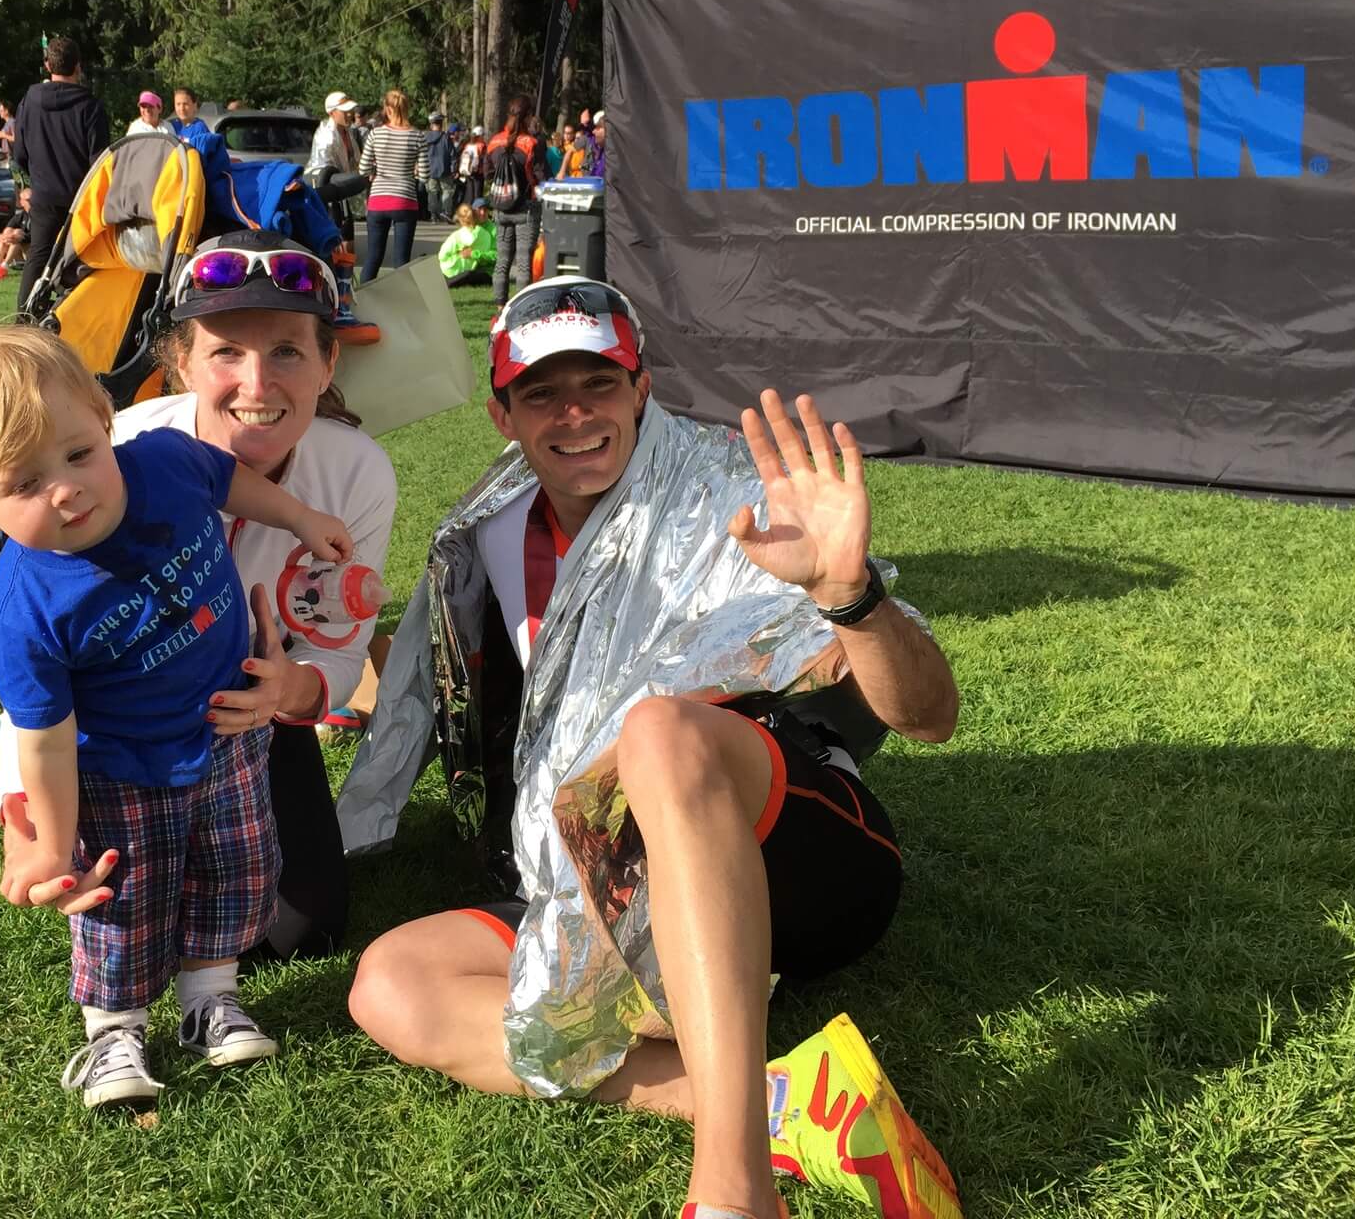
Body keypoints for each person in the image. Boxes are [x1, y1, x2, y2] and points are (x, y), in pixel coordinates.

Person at [343, 277, 964, 1219]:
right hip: (605, 871)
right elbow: (424, 701)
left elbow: (927, 716)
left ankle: (734, 1191)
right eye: (544, 393)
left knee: (659, 731)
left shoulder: (735, 496)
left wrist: (852, 597)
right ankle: (783, 1105)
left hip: (793, 858)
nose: (577, 413)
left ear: (642, 387)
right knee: (391, 986)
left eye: (600, 381)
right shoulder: (480, 533)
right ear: (502, 414)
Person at [0, 322, 356, 1109]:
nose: (67, 489)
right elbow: (43, 741)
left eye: (80, 455)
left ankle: (209, 1002)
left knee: (235, 869)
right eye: (22, 483)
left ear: (103, 419)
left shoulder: (163, 465)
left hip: (226, 734)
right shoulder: (21, 611)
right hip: (119, 771)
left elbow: (227, 482)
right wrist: (47, 842)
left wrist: (296, 518)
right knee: (124, 899)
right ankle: (113, 1032)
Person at [0, 230, 395, 963]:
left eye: (286, 351)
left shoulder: (356, 474)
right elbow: (34, 647)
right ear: (180, 363)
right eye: (225, 352)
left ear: (327, 361)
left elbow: (339, 644)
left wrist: (291, 689)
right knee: (133, 913)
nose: (257, 384)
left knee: (300, 931)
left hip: (252, 725)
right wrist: (22, 814)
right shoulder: (117, 458)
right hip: (119, 731)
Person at [10, 35, 109, 310]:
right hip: (80, 201)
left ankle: (25, 319)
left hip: (43, 196)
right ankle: (73, 315)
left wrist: (28, 185)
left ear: (47, 65)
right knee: (84, 264)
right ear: (78, 66)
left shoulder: (29, 100)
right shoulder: (90, 107)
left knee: (38, 259)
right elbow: (99, 161)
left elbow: (20, 154)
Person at [355, 88, 430, 283]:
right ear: (407, 109)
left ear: (387, 109)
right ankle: (400, 304)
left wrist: (375, 172)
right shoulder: (417, 136)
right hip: (405, 200)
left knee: (373, 257)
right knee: (401, 261)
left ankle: (363, 302)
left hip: (378, 200)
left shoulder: (375, 134)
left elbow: (363, 168)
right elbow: (424, 174)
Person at [483, 95, 549, 308]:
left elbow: (487, 172)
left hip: (501, 207)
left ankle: (500, 307)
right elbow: (540, 175)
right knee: (523, 262)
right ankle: (522, 308)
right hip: (526, 208)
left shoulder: (494, 141)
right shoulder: (532, 143)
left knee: (502, 261)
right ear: (528, 116)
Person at [436, 202, 495, 287]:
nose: (482, 213)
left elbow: (442, 255)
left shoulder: (457, 236)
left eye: (485, 210)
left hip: (460, 270)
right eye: (480, 210)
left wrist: (472, 254)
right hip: (472, 269)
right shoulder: (484, 234)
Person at [422, 111, 457, 222]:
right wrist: (454, 169)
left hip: (429, 170)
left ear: (431, 123)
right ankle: (446, 212)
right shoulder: (446, 138)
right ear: (441, 123)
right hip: (444, 169)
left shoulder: (425, 137)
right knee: (447, 191)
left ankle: (433, 215)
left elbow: (421, 154)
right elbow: (453, 154)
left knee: (432, 192)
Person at [456, 125, 486, 209]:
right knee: (478, 193)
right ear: (480, 135)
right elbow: (484, 159)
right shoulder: (482, 145)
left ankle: (468, 210)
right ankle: (477, 211)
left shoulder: (468, 145)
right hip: (478, 172)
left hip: (468, 171)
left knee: (469, 193)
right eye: (483, 135)